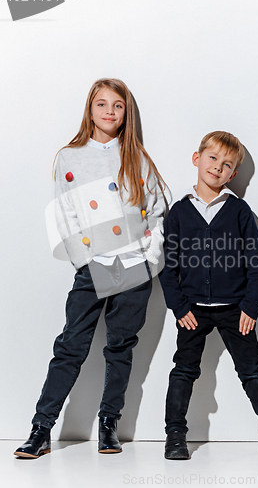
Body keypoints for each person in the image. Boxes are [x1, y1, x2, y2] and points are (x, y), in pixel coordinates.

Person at [14, 78, 165, 459]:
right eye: (102, 104)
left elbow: (158, 211)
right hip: (93, 264)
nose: (110, 112)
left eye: (118, 105)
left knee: (120, 348)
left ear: (126, 113)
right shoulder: (70, 156)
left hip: (133, 266)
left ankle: (108, 424)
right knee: (70, 347)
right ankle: (40, 428)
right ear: (90, 109)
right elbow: (64, 212)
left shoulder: (138, 157)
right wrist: (84, 259)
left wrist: (149, 259)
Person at [159, 131, 258, 460]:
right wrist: (178, 306)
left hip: (235, 311)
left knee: (253, 371)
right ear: (197, 159)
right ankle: (174, 435)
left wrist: (251, 306)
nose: (217, 167)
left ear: (233, 174)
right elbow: (168, 268)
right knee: (183, 370)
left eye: (226, 164)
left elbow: (257, 264)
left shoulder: (239, 211)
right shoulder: (179, 213)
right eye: (212, 158)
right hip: (192, 310)